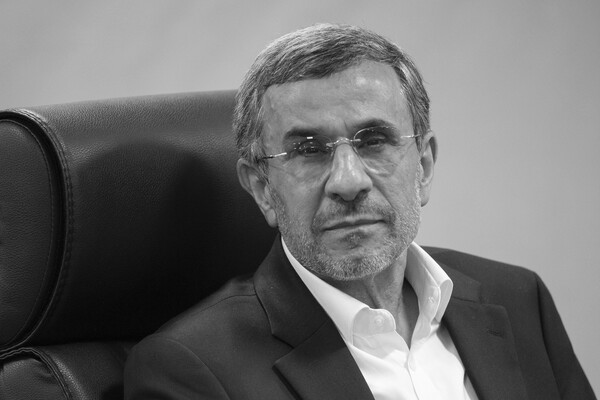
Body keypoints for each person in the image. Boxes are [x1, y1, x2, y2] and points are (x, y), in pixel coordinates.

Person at [124, 23, 595, 399]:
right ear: (263, 187)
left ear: (424, 166)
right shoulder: (191, 369)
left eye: (374, 141)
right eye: (308, 149)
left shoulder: (518, 299)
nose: (348, 182)